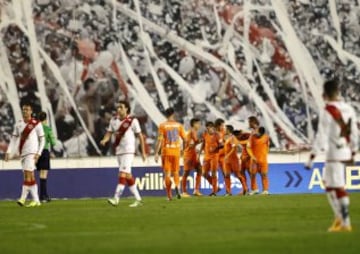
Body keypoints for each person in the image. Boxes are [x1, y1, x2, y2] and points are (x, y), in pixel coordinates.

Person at [305, 79, 358, 232]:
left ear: (325, 93)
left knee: (338, 187)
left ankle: (344, 222)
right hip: (345, 151)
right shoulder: (349, 108)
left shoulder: (328, 110)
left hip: (334, 153)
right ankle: (340, 218)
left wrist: (312, 156)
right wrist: (353, 150)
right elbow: (354, 132)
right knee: (328, 184)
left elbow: (321, 135)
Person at [100, 101, 147, 208]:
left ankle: (116, 199)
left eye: (121, 107)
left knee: (122, 174)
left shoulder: (132, 121)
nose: (118, 109)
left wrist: (143, 152)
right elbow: (109, 132)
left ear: (127, 109)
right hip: (119, 151)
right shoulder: (114, 120)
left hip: (129, 151)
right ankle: (139, 200)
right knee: (128, 175)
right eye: (118, 107)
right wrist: (105, 139)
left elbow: (140, 136)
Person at [4, 102, 45, 207]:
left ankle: (22, 199)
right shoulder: (18, 124)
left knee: (27, 175)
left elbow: (42, 140)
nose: (25, 111)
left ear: (31, 111)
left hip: (32, 152)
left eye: (27, 110)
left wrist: (38, 153)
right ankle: (37, 200)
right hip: (23, 153)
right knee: (30, 176)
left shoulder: (36, 123)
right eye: (24, 109)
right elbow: (13, 139)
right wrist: (8, 151)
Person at [155, 107, 186, 201]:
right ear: (173, 114)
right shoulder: (179, 125)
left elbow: (159, 140)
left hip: (166, 152)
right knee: (176, 172)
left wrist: (156, 153)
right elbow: (185, 139)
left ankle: (169, 196)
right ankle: (177, 186)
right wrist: (183, 150)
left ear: (165, 115)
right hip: (176, 151)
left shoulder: (162, 126)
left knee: (167, 174)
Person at [36, 111, 56, 203]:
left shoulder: (35, 128)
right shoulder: (47, 129)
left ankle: (43, 195)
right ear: (46, 119)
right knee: (44, 174)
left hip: (36, 152)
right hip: (44, 151)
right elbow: (53, 142)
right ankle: (43, 196)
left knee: (39, 174)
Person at [247, 117, 270, 195]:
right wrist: (252, 156)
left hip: (263, 159)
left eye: (258, 133)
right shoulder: (252, 137)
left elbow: (267, 146)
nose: (256, 133)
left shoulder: (266, 137)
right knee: (252, 174)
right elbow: (248, 147)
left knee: (264, 174)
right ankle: (254, 189)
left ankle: (265, 190)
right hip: (254, 160)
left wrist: (265, 154)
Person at [198, 121, 222, 196]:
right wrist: (199, 154)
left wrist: (214, 149)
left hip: (214, 156)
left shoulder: (217, 135)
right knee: (204, 173)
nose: (208, 130)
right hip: (206, 157)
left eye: (210, 128)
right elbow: (203, 143)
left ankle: (214, 191)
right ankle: (216, 187)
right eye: (207, 128)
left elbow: (222, 145)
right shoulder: (205, 134)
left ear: (213, 128)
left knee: (214, 173)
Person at [223, 128, 248, 196]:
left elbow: (234, 148)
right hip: (227, 160)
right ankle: (228, 192)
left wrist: (227, 155)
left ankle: (245, 188)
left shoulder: (233, 138)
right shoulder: (226, 138)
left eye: (226, 129)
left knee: (238, 175)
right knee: (227, 175)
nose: (225, 130)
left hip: (233, 160)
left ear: (229, 131)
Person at [181, 118, 202, 197]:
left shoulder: (191, 132)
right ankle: (184, 192)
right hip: (189, 155)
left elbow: (190, 143)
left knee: (199, 170)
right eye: (198, 123)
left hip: (192, 154)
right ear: (194, 124)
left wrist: (193, 147)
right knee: (186, 173)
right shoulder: (192, 131)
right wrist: (203, 140)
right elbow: (196, 141)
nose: (199, 125)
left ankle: (196, 190)